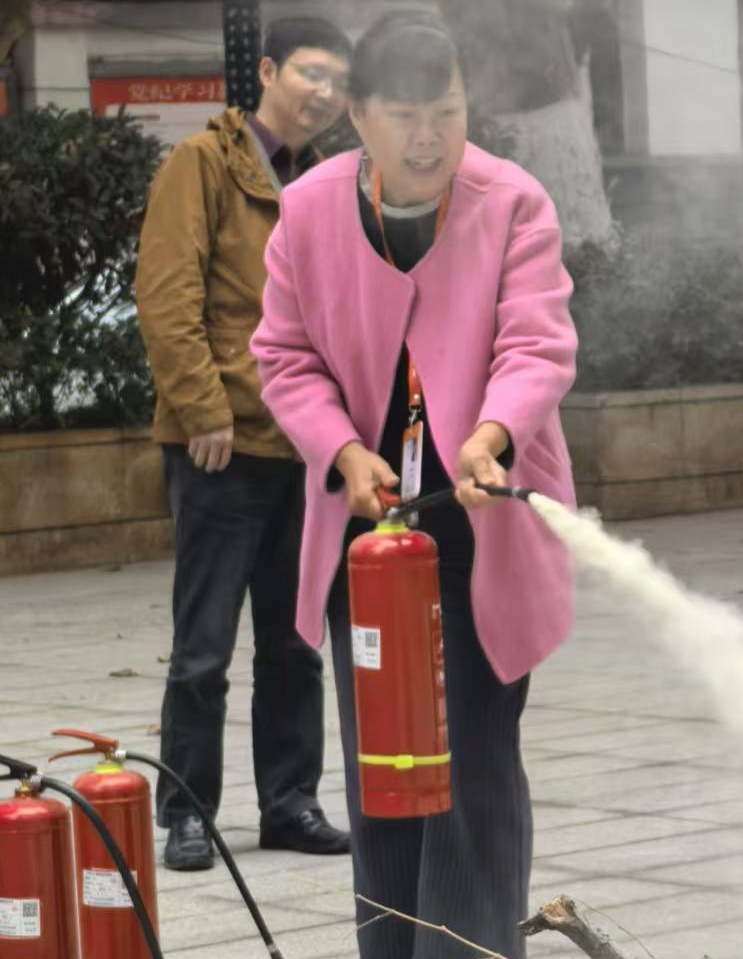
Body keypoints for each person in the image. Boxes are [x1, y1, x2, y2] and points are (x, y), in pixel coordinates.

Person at [249, 11, 578, 958]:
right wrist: (341, 451)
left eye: (448, 111)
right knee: (384, 769)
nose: (430, 138)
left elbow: (536, 343)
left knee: (468, 767)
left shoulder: (511, 202)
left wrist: (492, 433)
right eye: (405, 116)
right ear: (358, 116)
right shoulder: (309, 210)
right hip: (370, 542)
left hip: (478, 530)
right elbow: (284, 356)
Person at [134, 17, 353, 870]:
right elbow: (167, 295)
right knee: (204, 647)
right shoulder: (203, 164)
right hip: (222, 445)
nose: (325, 93)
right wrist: (203, 410)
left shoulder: (331, 179)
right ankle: (186, 811)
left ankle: (290, 802)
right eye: (310, 73)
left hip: (306, 445)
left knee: (296, 642)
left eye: (338, 81)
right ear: (266, 70)